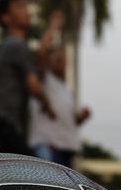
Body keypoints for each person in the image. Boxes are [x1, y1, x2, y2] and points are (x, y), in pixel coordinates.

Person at [0, 0, 55, 154]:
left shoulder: (8, 48)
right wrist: (48, 105)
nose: (26, 11)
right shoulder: (16, 45)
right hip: (0, 124)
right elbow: (34, 85)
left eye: (25, 7)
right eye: (19, 7)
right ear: (5, 17)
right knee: (28, 172)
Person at [29, 39, 91, 168]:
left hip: (66, 149)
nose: (60, 59)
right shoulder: (44, 79)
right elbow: (40, 55)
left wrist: (81, 118)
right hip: (47, 147)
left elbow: (71, 121)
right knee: (48, 185)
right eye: (56, 57)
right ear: (49, 61)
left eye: (62, 57)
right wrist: (54, 25)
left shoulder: (67, 91)